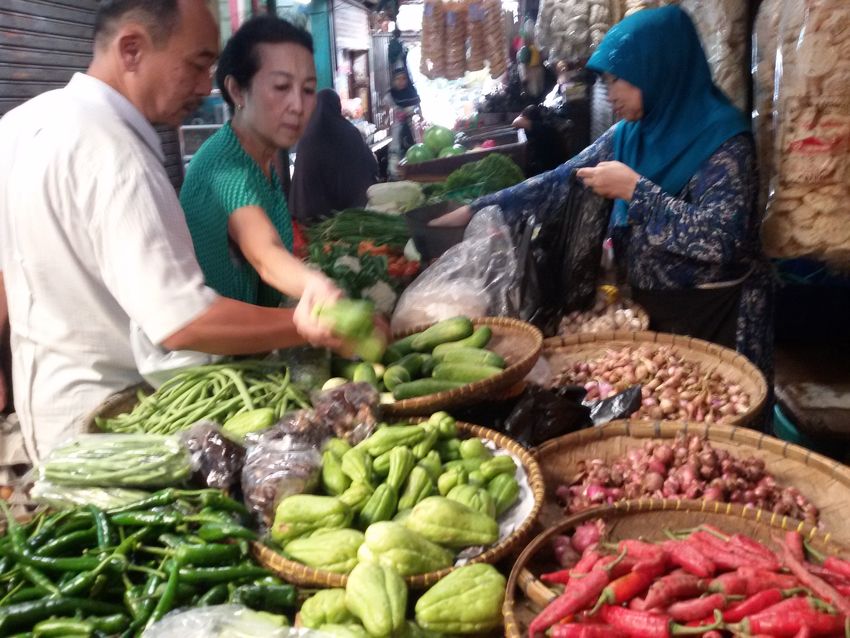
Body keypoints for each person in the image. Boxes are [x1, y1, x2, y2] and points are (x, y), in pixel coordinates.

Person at [0, 0, 356, 461]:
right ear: (131, 50)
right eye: (196, 63)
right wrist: (311, 326)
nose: (204, 83)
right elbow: (183, 321)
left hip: (48, 416)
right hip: (115, 429)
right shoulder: (115, 154)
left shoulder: (19, 125)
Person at [439, 6, 774, 386]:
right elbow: (558, 182)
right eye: (606, 81)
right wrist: (474, 211)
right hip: (656, 315)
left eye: (620, 80)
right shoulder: (629, 135)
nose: (610, 93)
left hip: (721, 318)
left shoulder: (726, 142)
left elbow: (723, 240)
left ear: (660, 70)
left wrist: (635, 190)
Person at [180, 16, 340, 309]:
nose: (298, 105)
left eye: (307, 89)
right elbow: (266, 255)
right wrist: (322, 290)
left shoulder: (262, 162)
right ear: (238, 91)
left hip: (247, 342)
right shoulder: (224, 166)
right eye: (281, 86)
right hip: (218, 350)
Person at [289, 89, 378, 227]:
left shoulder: (306, 137)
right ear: (337, 106)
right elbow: (371, 166)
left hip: (308, 216)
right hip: (346, 219)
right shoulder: (349, 132)